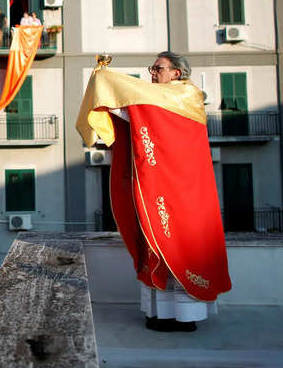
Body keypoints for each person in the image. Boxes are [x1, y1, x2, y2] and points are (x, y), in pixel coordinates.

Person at [77, 51, 231, 334]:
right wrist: (104, 88)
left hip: (185, 192)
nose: (152, 73)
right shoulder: (156, 98)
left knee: (181, 249)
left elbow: (141, 109)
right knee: (153, 243)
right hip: (159, 187)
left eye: (158, 68)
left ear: (177, 72)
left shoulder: (187, 96)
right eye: (152, 68)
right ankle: (160, 314)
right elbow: (133, 112)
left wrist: (108, 86)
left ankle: (186, 317)